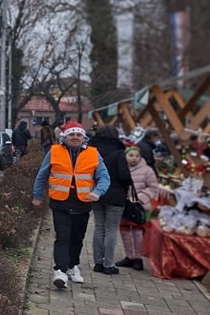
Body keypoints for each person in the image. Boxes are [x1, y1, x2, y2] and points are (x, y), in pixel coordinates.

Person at [32, 121, 110, 290]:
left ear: (84, 137)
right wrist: (37, 196)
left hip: (83, 203)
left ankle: (72, 265)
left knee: (77, 237)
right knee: (63, 236)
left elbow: (104, 177)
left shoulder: (93, 153)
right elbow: (42, 175)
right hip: (60, 203)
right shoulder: (54, 151)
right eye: (71, 134)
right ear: (64, 137)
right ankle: (60, 271)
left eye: (78, 134)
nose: (75, 137)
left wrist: (98, 192)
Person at [88, 125, 133, 275]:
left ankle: (98, 263)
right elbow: (124, 176)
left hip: (96, 193)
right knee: (111, 229)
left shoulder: (91, 151)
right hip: (116, 195)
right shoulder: (119, 152)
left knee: (99, 228)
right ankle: (108, 264)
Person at [116, 145, 160, 270]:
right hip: (124, 204)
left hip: (138, 206)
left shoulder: (147, 170)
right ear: (125, 156)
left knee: (137, 231)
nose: (134, 158)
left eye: (137, 156)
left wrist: (139, 198)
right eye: (131, 155)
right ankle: (129, 256)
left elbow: (153, 188)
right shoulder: (121, 168)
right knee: (124, 230)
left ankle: (138, 258)